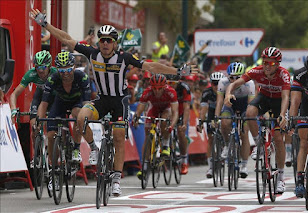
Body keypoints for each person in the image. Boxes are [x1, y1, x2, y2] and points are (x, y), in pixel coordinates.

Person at [31, 9, 194, 197]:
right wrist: (45, 25)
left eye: (109, 40)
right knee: (81, 117)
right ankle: (94, 147)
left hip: (119, 101)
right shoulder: (92, 53)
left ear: (115, 43)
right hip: (101, 100)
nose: (105, 43)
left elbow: (150, 66)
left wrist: (176, 72)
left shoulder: (124, 57)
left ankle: (116, 179)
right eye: (102, 40)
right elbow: (67, 40)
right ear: (99, 42)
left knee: (117, 135)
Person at [224, 47, 290, 194]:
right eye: (265, 62)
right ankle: (258, 145)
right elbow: (234, 84)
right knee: (250, 112)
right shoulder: (257, 71)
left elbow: (286, 97)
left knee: (279, 138)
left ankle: (280, 177)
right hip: (265, 98)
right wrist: (228, 94)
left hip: (279, 102)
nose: (267, 66)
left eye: (271, 64)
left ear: (277, 64)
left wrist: (283, 114)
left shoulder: (283, 75)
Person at [37, 51, 91, 190]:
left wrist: (84, 119)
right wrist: (39, 120)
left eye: (68, 69)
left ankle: (76, 148)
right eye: (61, 70)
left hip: (77, 102)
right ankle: (54, 173)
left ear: (73, 67)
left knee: (78, 114)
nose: (65, 73)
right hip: (60, 103)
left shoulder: (82, 77)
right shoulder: (53, 78)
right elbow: (44, 104)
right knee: (50, 135)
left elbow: (87, 104)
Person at [133, 74, 179, 178]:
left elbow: (175, 112)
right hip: (153, 108)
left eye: (160, 88)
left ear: (164, 87)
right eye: (154, 88)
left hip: (166, 109)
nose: (157, 91)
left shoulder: (171, 92)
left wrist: (171, 125)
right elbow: (140, 109)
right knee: (147, 135)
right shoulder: (147, 92)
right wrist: (135, 118)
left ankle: (165, 144)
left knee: (164, 119)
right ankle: (144, 167)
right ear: (151, 87)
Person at [215, 62, 255, 178]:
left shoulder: (249, 83)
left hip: (244, 106)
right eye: (231, 77)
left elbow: (250, 104)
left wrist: (247, 117)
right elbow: (219, 102)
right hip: (229, 105)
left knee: (244, 133)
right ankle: (227, 144)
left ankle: (244, 165)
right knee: (225, 122)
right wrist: (217, 117)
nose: (234, 80)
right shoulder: (223, 82)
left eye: (237, 77)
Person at [289, 52, 308, 198]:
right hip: (307, 106)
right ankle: (300, 181)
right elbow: (295, 102)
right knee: (304, 143)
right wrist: (292, 121)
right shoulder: (300, 75)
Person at [10, 50, 57, 146]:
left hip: (54, 97)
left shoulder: (55, 73)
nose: (40, 71)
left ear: (49, 66)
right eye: (38, 67)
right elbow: (14, 94)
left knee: (56, 125)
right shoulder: (31, 74)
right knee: (34, 126)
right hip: (39, 96)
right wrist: (13, 109)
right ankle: (36, 156)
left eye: (43, 67)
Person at [197, 72, 225, 178]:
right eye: (214, 84)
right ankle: (211, 167)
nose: (216, 86)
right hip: (212, 114)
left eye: (219, 84)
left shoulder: (227, 91)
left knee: (226, 129)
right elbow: (203, 109)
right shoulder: (207, 93)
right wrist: (201, 121)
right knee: (211, 138)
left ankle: (225, 147)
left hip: (225, 113)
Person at [167, 74, 191, 174]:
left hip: (180, 111)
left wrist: (184, 123)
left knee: (181, 132)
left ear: (178, 82)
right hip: (168, 110)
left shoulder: (184, 88)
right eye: (169, 83)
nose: (171, 86)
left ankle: (184, 160)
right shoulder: (164, 88)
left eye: (173, 83)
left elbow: (186, 108)